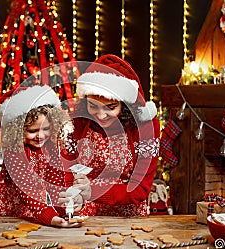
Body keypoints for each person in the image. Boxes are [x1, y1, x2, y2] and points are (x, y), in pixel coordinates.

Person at [59, 54, 160, 216]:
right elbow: (67, 171)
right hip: (86, 212)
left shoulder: (146, 126)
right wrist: (73, 196)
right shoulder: (77, 122)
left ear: (125, 105)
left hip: (129, 215)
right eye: (93, 106)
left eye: (110, 107)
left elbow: (141, 188)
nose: (101, 115)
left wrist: (94, 191)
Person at [0, 85, 86, 227]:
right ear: (17, 130)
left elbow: (54, 182)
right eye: (32, 130)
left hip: (34, 211)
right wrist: (52, 218)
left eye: (46, 128)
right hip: (8, 210)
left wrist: (65, 210)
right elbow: (27, 190)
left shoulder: (50, 146)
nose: (40, 136)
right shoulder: (14, 151)